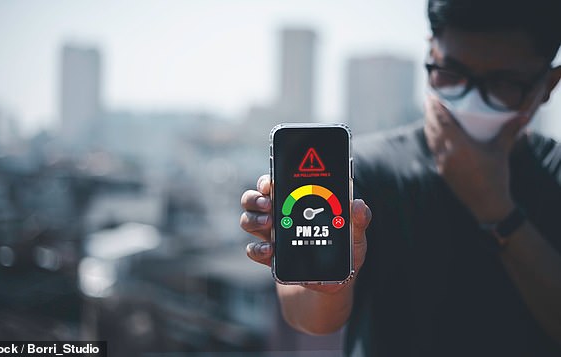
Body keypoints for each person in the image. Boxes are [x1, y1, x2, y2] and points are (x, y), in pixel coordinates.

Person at [240, 0, 561, 355]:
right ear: (431, 51)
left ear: (548, 83)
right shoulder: (365, 168)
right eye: (451, 72)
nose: (472, 98)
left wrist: (497, 209)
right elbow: (311, 317)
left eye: (503, 83)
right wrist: (322, 285)